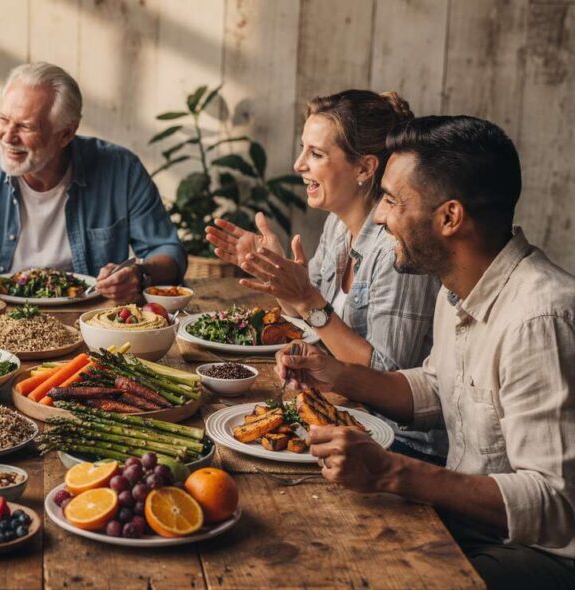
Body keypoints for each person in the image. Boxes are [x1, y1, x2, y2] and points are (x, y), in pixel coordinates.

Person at [276, 115, 575, 588]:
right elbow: (436, 389)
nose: (377, 216)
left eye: (392, 201)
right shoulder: (456, 286)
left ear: (449, 218)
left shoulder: (539, 318)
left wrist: (392, 471)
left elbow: (554, 501)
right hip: (467, 521)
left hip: (539, 555)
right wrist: (336, 374)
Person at [206, 90, 443, 460]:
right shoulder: (337, 226)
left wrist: (307, 299)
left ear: (364, 169)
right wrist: (279, 278)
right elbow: (311, 323)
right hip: (346, 416)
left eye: (315, 154)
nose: (299, 164)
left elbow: (387, 378)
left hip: (402, 446)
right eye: (303, 150)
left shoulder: (398, 249)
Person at [0, 62, 186, 302]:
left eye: (25, 127)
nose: (7, 136)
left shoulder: (121, 169)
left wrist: (140, 273)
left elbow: (168, 253)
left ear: (66, 134)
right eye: (4, 119)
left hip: (90, 320)